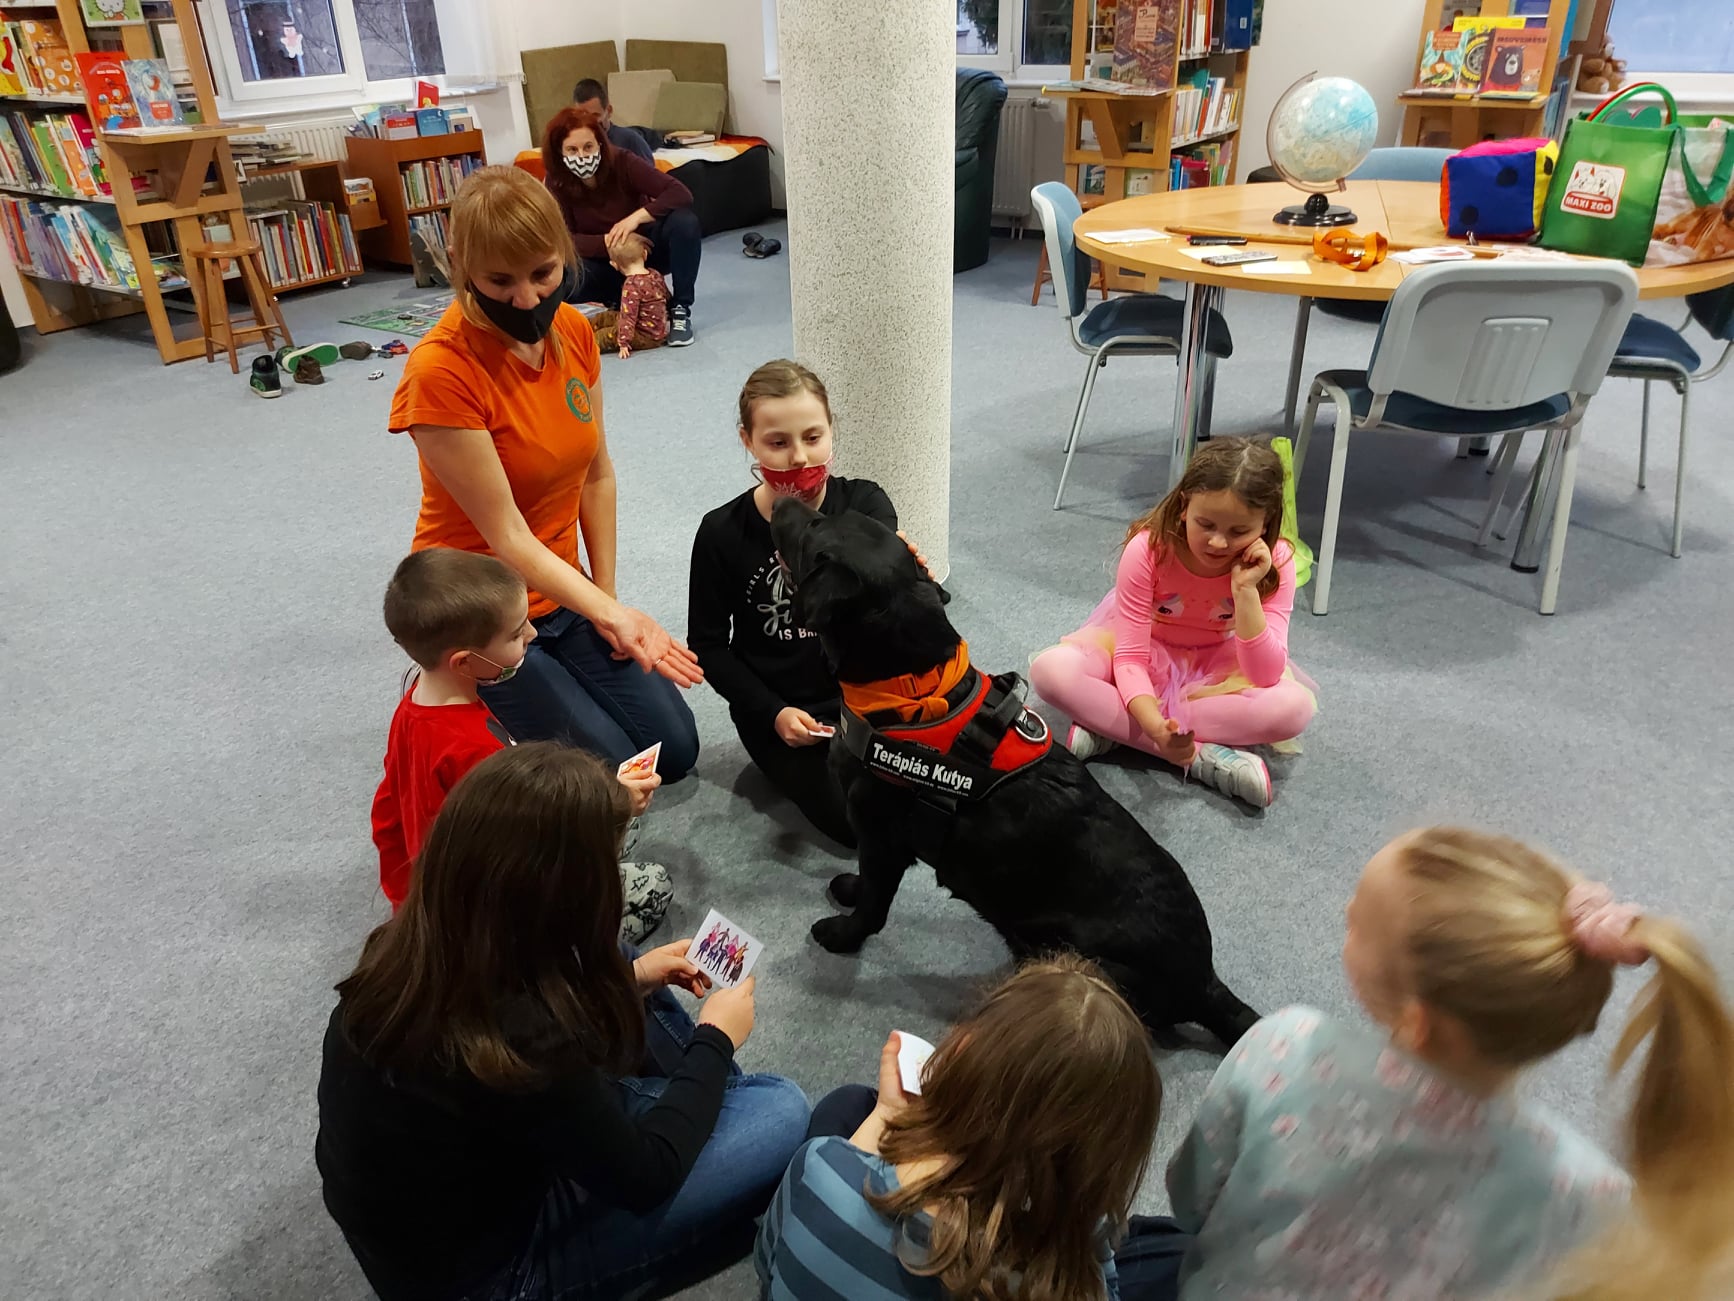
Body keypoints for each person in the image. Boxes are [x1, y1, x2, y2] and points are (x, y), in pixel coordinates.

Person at [1145, 826, 1734, 1300]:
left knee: (1141, 1244)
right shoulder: (1592, 1196)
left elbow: (1191, 1195)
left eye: (1357, 920)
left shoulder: (1284, 1049)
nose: (1346, 908)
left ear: (1417, 1020)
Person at [318, 743, 811, 1301]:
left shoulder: (407, 950)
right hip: (497, 1275)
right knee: (781, 1110)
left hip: (458, 1194)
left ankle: (683, 1104)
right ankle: (693, 1109)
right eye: (609, 869)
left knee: (618, 961)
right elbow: (646, 1177)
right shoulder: (525, 1034)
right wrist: (715, 1040)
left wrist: (635, 979)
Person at [387, 165, 702, 782]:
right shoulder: (439, 372)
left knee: (674, 750)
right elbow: (506, 536)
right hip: (483, 610)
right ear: (462, 267)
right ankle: (449, 678)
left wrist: (604, 603)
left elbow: (597, 475)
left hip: (560, 588)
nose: (528, 300)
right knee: (607, 768)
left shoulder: (574, 331)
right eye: (500, 281)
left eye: (543, 273)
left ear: (564, 255)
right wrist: (611, 617)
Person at [756, 954, 1182, 1299]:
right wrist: (1081, 1217)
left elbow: (767, 1265)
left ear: (966, 1053)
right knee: (1172, 1247)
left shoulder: (820, 1168)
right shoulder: (1075, 1286)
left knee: (847, 1105)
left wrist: (885, 1114)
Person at [367, 547, 670, 941]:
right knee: (652, 883)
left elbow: (392, 813)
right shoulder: (474, 751)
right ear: (464, 662)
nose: (532, 634)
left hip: (435, 888)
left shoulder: (416, 704)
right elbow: (520, 851)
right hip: (485, 920)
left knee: (611, 808)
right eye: (516, 633)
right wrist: (603, 814)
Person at [1029, 437, 1316, 809]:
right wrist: (1156, 729)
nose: (1217, 542)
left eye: (1238, 532)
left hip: (1219, 660)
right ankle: (1198, 757)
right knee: (1050, 671)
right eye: (1205, 524)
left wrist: (1246, 591)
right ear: (1184, 507)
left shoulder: (1277, 561)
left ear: (1265, 524)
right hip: (1143, 647)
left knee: (1294, 709)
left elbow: (1265, 674)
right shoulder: (1149, 548)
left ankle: (1112, 728)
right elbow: (1130, 658)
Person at [687, 360, 899, 847]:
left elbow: (889, 614)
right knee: (859, 824)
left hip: (868, 696)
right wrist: (772, 712)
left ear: (831, 431)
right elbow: (709, 646)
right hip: (783, 710)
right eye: (778, 443)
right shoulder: (721, 533)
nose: (800, 458)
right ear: (748, 441)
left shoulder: (866, 505)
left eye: (813, 437)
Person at [542, 106, 700, 348]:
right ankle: (624, 300)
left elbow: (680, 193)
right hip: (603, 262)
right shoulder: (556, 182)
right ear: (559, 152)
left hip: (643, 251)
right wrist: (608, 242)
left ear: (600, 144)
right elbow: (563, 240)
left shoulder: (623, 161)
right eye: (572, 150)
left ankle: (679, 309)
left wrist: (636, 218)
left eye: (588, 147)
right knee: (562, 275)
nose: (582, 155)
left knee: (685, 222)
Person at [608, 231, 669, 359]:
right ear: (645, 254)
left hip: (646, 336)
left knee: (607, 334)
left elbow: (628, 316)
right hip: (655, 330)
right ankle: (583, 327)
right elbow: (666, 296)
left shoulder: (631, 286)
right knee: (607, 317)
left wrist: (623, 342)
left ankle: (582, 341)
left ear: (614, 265)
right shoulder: (655, 274)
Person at [571, 76, 655, 163]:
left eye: (595, 115)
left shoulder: (631, 141)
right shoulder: (571, 145)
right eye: (583, 116)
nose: (590, 122)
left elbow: (649, 171)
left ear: (609, 110)